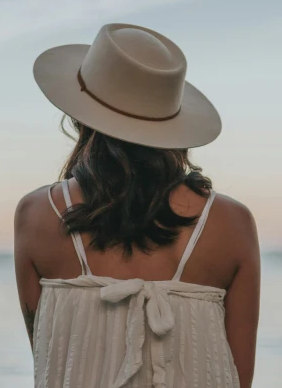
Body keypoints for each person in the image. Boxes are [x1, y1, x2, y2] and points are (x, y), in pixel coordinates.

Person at [14, 23, 261, 387]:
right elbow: (240, 379)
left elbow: (49, 355)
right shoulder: (230, 222)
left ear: (80, 117)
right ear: (172, 124)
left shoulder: (37, 213)